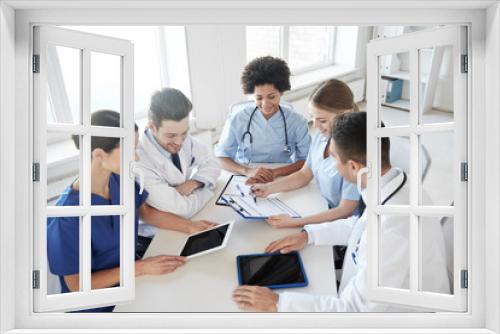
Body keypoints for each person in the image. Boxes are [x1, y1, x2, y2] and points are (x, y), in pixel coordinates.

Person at [232, 111, 450, 312]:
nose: (332, 163)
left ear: (354, 166)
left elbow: (355, 310)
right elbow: (360, 225)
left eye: (334, 157)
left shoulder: (393, 228)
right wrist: (309, 235)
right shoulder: (393, 183)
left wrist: (279, 303)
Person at [47, 110, 214, 312]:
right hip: (101, 305)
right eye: (129, 150)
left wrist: (190, 227)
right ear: (98, 154)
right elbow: (76, 285)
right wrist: (141, 267)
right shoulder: (66, 217)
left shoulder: (120, 180)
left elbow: (146, 212)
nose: (135, 156)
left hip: (136, 279)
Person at [250, 79, 360, 229]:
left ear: (345, 115)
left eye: (322, 120)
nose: (315, 126)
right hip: (318, 205)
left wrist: (296, 222)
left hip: (342, 224)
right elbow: (304, 175)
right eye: (313, 118)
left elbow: (345, 211)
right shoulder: (321, 137)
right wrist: (270, 188)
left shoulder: (356, 152)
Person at [214, 56, 311, 185]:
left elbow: (307, 160)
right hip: (244, 175)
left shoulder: (297, 122)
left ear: (281, 92)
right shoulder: (238, 119)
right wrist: (247, 171)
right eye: (259, 97)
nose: (265, 104)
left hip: (283, 175)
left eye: (271, 96)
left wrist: (275, 173)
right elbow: (221, 157)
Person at [137, 88, 221, 219]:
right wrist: (209, 188)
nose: (179, 142)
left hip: (194, 215)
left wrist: (194, 183)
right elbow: (182, 209)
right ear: (152, 127)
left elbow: (213, 162)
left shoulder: (181, 137)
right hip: (158, 233)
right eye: (171, 136)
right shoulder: (140, 161)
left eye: (184, 133)